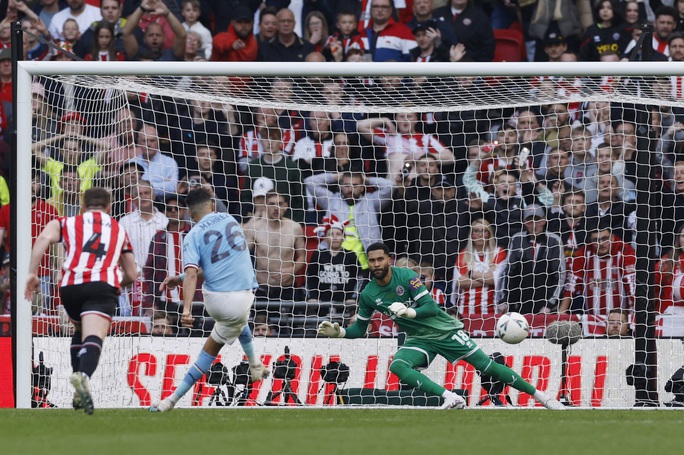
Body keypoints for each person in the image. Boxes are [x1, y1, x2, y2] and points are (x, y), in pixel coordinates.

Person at [317, 242, 564, 410]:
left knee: (487, 366)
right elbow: (359, 330)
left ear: (389, 260)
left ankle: (541, 396)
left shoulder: (407, 276)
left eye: (380, 259)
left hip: (445, 330)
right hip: (419, 338)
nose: (376, 264)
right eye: (371, 261)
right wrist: (339, 332)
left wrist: (408, 311)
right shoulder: (369, 293)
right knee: (398, 366)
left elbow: (432, 308)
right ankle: (449, 397)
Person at [150, 188, 270, 412]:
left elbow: (195, 272)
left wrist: (185, 305)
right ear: (213, 205)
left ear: (188, 213)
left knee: (224, 334)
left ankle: (172, 400)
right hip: (245, 295)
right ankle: (172, 400)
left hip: (218, 302)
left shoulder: (193, 235)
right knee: (225, 335)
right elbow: (219, 263)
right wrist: (183, 289)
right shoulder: (230, 220)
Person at [24, 187, 137, 415]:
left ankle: (77, 392)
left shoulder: (67, 222)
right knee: (94, 336)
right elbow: (132, 274)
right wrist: (117, 285)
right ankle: (83, 377)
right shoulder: (119, 229)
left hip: (70, 287)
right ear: (109, 206)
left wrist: (32, 273)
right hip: (101, 286)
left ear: (83, 206)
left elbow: (44, 237)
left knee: (78, 329)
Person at [500, 204, 566, 314]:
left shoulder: (554, 241)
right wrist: (505, 299)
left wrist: (550, 304)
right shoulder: (517, 239)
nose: (534, 225)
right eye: (530, 221)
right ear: (524, 222)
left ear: (544, 221)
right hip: (519, 305)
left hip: (546, 307)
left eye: (537, 220)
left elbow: (559, 275)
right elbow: (508, 272)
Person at [243, 191, 306, 301]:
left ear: (285, 206)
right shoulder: (255, 228)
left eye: (280, 204)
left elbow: (302, 257)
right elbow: (242, 255)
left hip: (287, 287)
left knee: (288, 318)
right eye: (272, 204)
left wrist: (292, 269)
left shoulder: (295, 228)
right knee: (259, 318)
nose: (276, 208)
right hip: (262, 287)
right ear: (266, 206)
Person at [451, 218, 506, 315]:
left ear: (489, 234)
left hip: (491, 310)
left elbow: (496, 279)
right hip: (465, 310)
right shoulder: (464, 255)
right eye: (476, 231)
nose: (480, 235)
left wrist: (471, 274)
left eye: (484, 231)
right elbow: (460, 282)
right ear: (471, 235)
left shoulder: (499, 252)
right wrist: (487, 278)